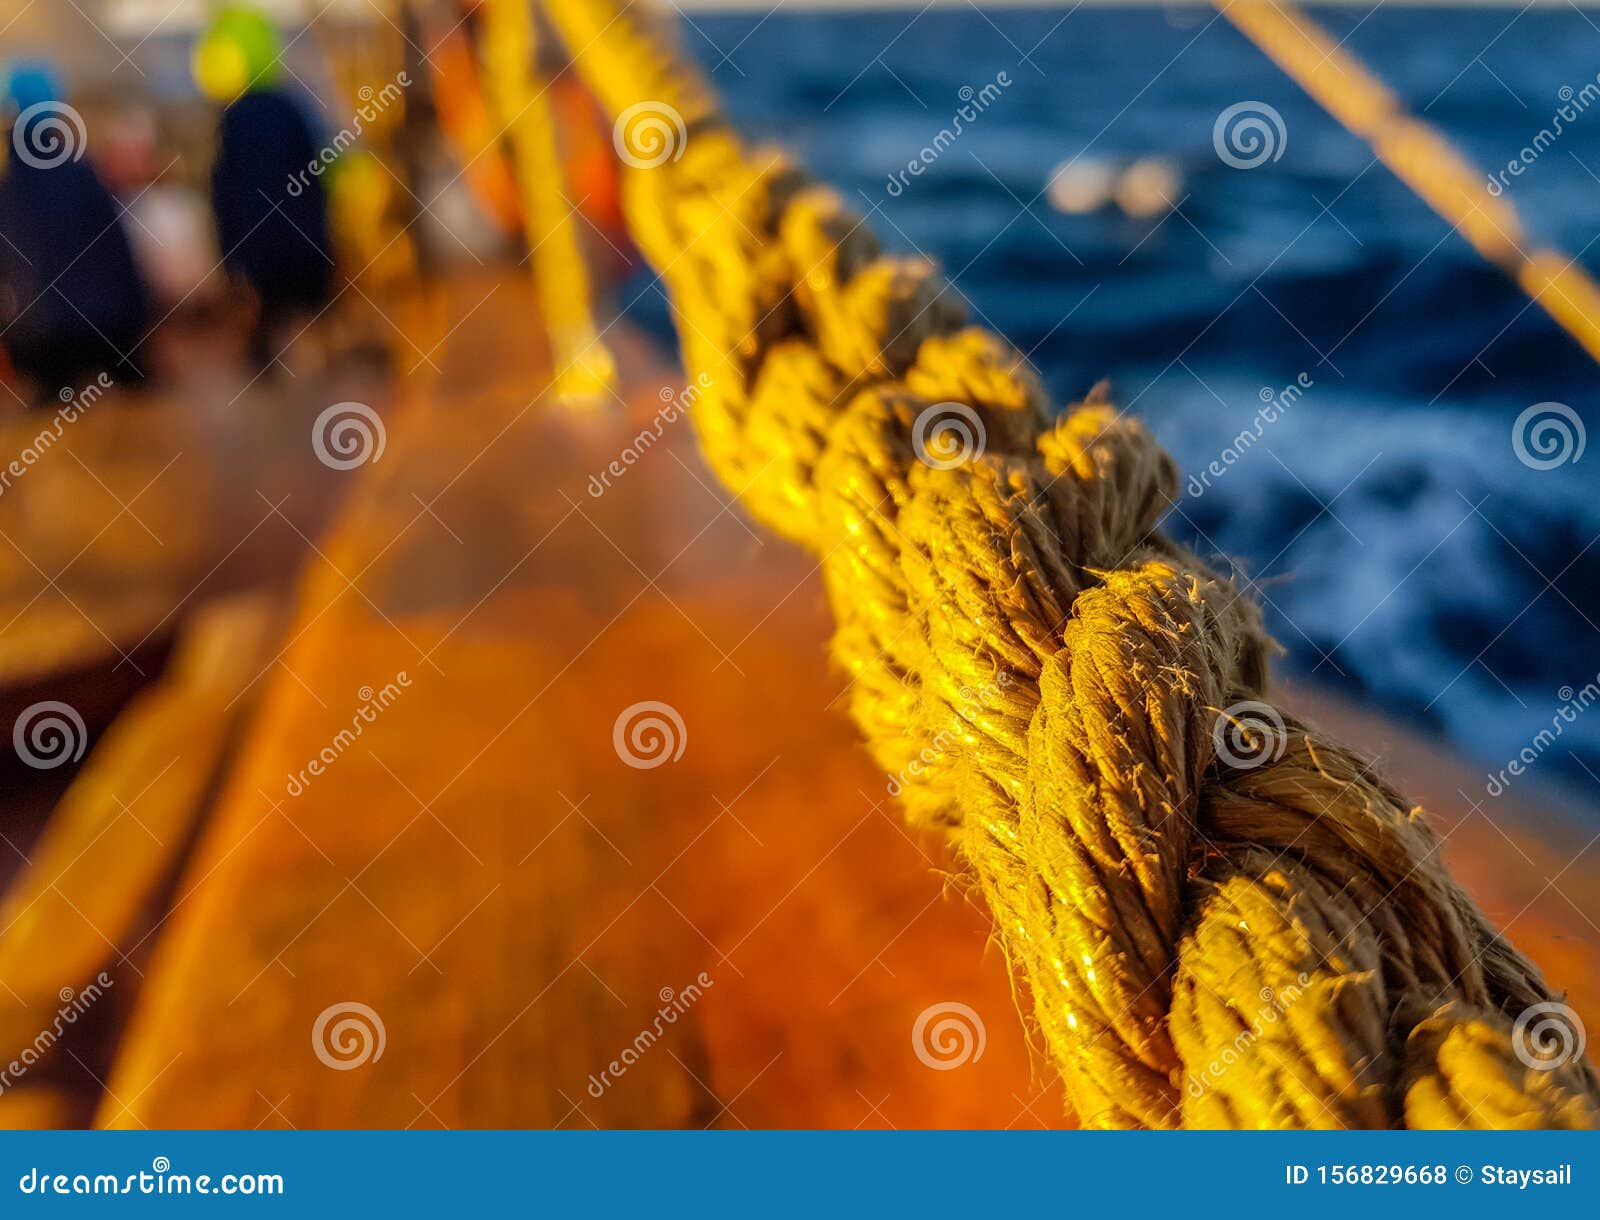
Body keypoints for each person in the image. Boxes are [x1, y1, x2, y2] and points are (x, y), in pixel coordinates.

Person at [0, 60, 151, 400]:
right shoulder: (81, 173)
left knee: (55, 429)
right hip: (107, 329)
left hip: (41, 340)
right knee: (143, 415)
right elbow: (118, 248)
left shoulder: (10, 189)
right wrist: (140, 312)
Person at [196, 5, 334, 370]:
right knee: (317, 322)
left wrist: (229, 258)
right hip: (306, 245)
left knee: (268, 330)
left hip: (259, 256)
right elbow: (319, 174)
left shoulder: (232, 121)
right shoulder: (291, 109)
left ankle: (269, 372)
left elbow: (224, 195)